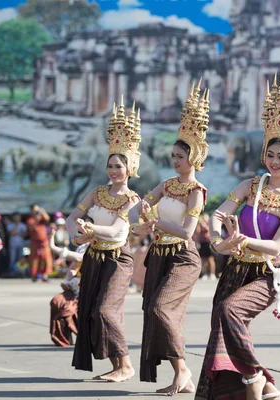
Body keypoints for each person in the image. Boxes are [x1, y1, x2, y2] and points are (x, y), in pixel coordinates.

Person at [195, 66, 280, 400]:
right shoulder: (250, 185)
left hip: (266, 274)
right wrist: (220, 241)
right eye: (270, 154)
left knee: (231, 311)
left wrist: (242, 241)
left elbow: (277, 245)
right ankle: (246, 389)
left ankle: (258, 376)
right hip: (234, 268)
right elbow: (218, 214)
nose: (274, 161)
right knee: (224, 323)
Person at [66, 98, 152, 382]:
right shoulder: (97, 192)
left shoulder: (132, 199)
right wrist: (76, 232)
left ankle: (126, 366)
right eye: (111, 165)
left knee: (106, 310)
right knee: (93, 311)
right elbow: (70, 218)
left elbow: (117, 230)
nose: (114, 170)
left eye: (119, 166)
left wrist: (89, 230)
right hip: (93, 257)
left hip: (117, 259)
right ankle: (117, 365)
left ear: (130, 169)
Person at [131, 82, 210, 394]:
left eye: (181, 156)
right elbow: (144, 205)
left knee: (161, 308)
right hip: (159, 254)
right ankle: (182, 375)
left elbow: (188, 232)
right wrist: (143, 215)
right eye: (173, 155)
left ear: (195, 157)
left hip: (183, 256)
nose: (175, 160)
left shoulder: (196, 191)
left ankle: (184, 369)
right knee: (159, 312)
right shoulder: (166, 184)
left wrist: (156, 220)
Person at [48, 229, 86, 347]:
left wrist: (53, 246)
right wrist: (67, 281)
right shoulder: (82, 247)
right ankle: (64, 338)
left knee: (71, 307)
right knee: (57, 302)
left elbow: (80, 258)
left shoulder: (102, 245)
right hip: (77, 287)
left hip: (94, 289)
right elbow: (74, 267)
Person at [27, 205, 53, 282]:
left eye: (37, 210)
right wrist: (36, 219)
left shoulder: (42, 219)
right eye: (35, 211)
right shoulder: (30, 220)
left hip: (44, 242)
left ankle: (44, 276)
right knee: (34, 260)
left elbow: (48, 219)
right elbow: (31, 228)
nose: (36, 212)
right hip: (35, 243)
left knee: (45, 259)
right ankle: (34, 276)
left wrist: (43, 212)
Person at [196, 212, 216, 280]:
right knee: (203, 259)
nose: (204, 219)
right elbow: (197, 233)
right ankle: (204, 274)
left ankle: (212, 274)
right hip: (202, 242)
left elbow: (209, 231)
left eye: (205, 217)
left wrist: (204, 225)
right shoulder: (200, 224)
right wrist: (197, 242)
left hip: (208, 242)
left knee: (210, 259)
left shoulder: (209, 224)